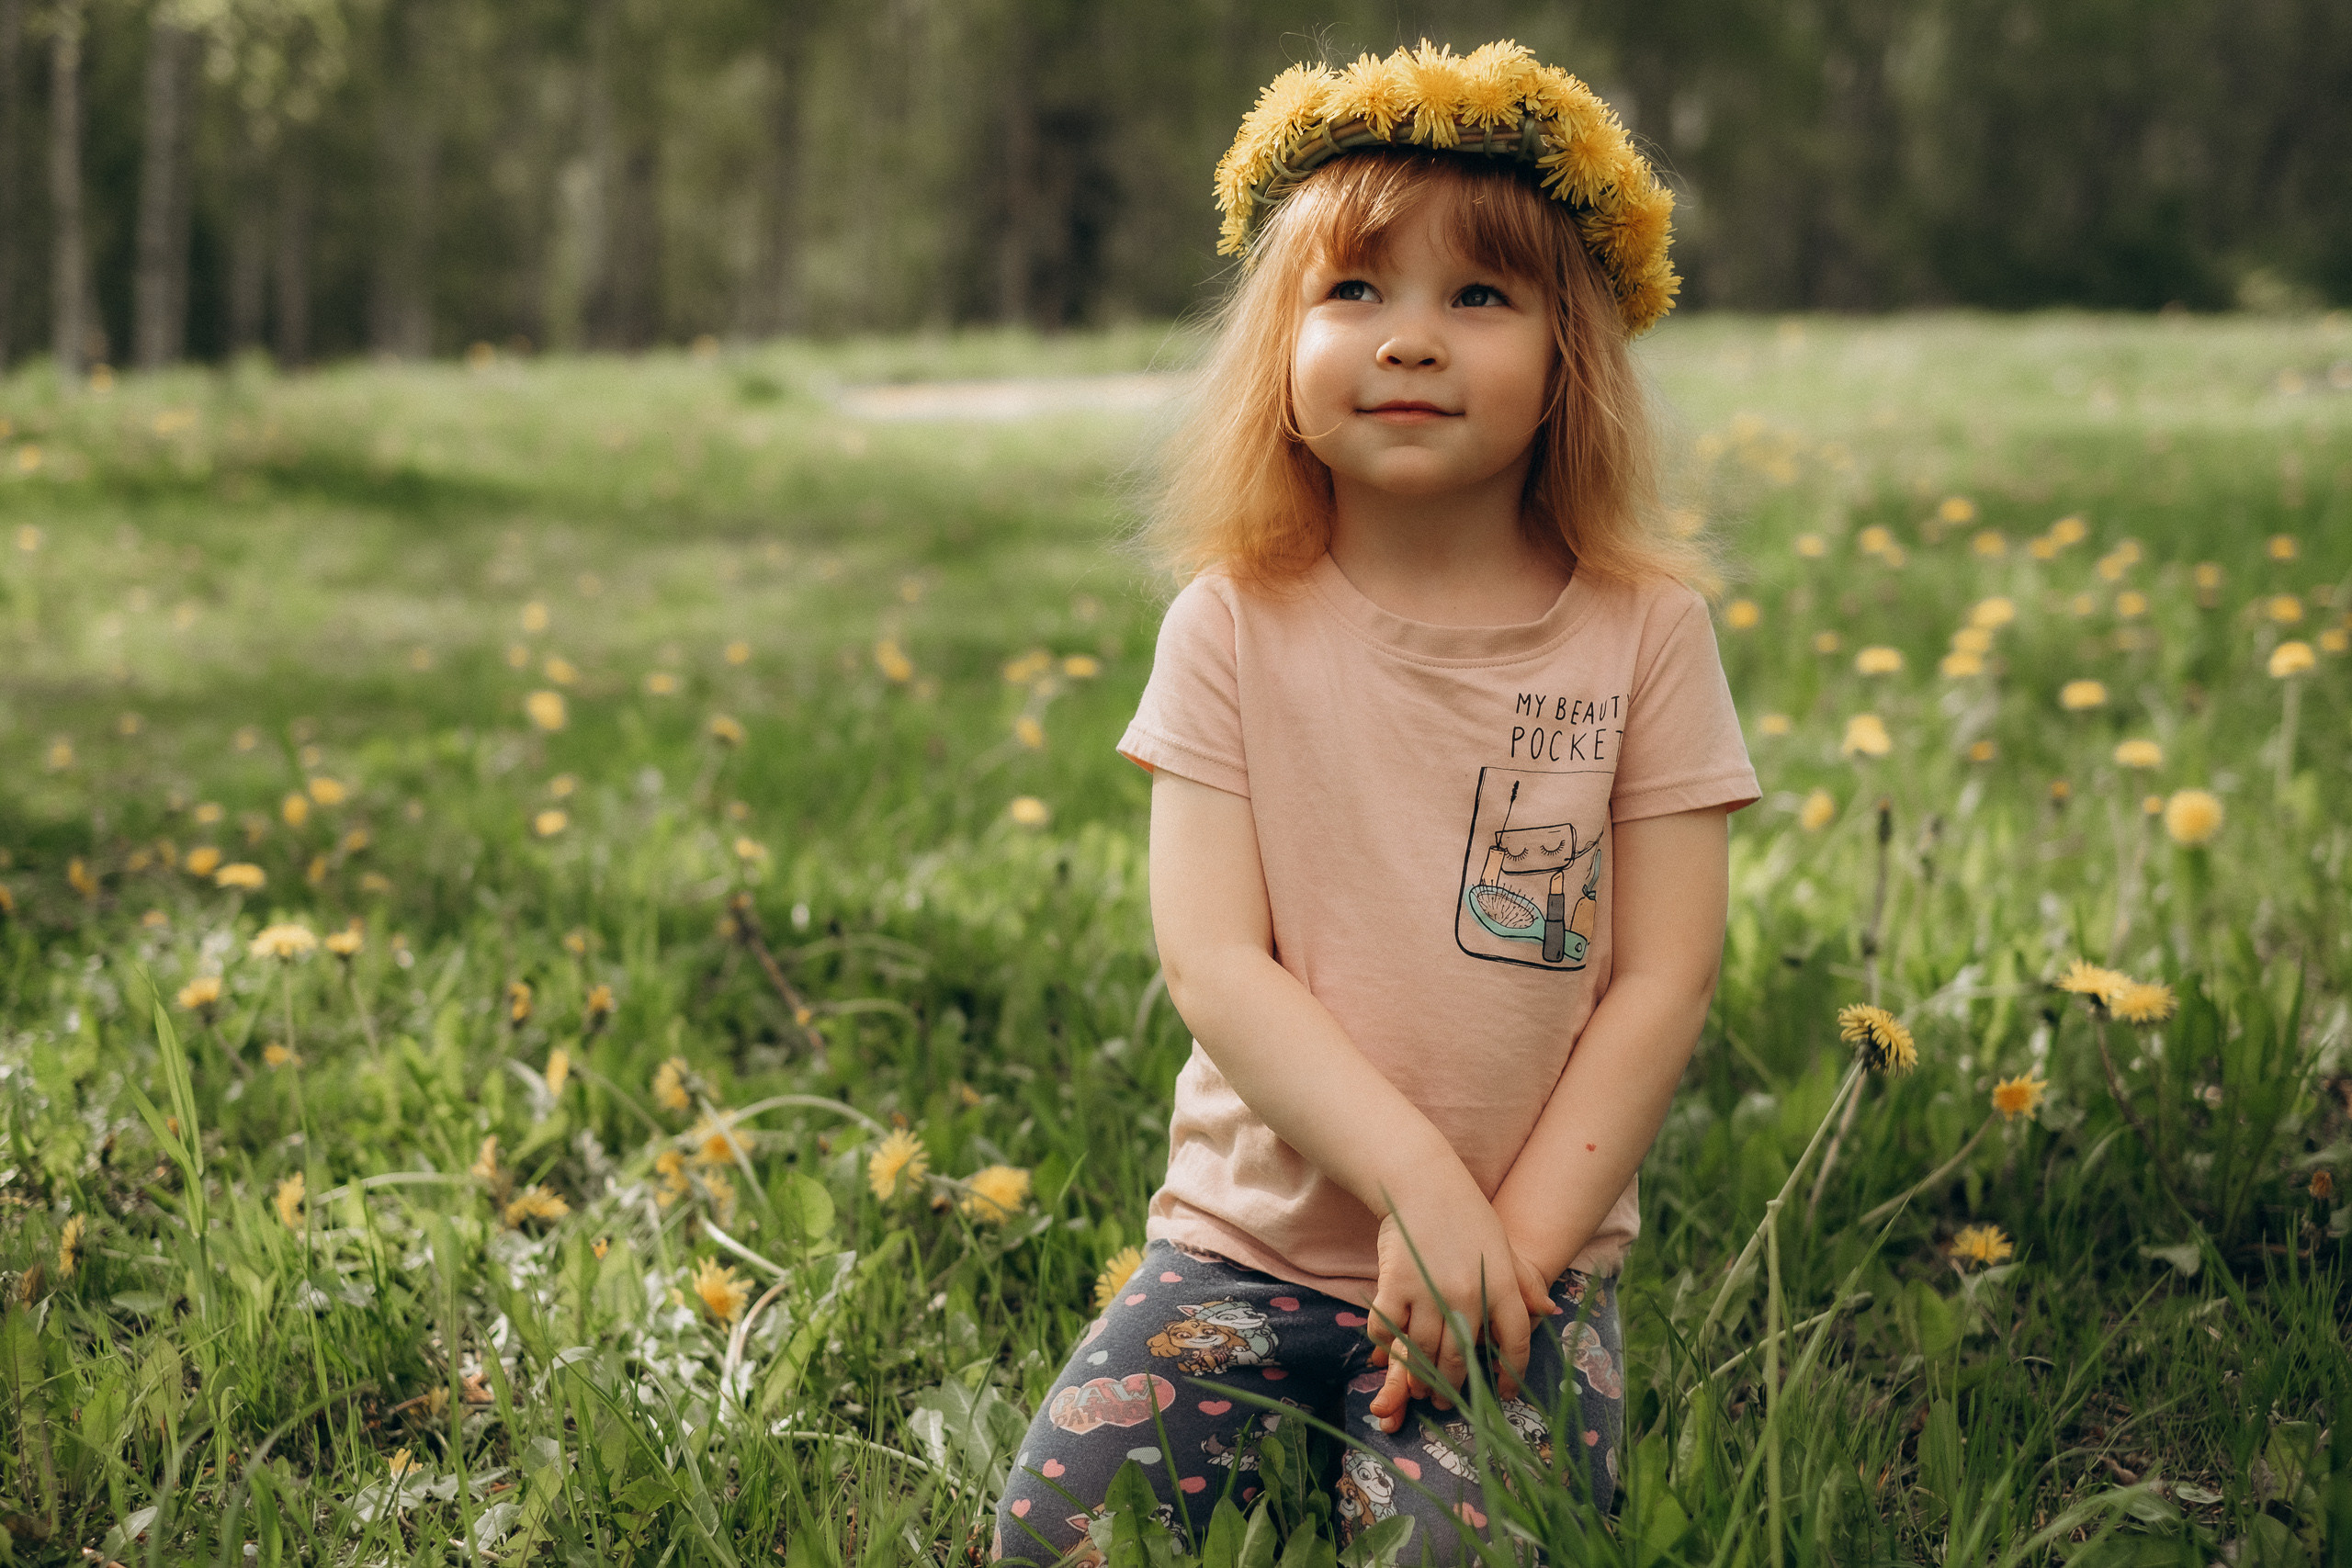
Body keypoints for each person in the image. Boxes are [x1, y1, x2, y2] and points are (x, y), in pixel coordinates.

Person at [993, 40, 1758, 1564]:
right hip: (1244, 1251)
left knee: (1460, 1552)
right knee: (1058, 1541)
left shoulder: (1643, 636)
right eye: (1355, 291)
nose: (1411, 339)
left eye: (1479, 297)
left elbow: (1664, 980)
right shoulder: (1229, 623)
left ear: (1570, 363)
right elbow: (1217, 965)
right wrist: (1416, 1183)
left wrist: (1506, 1250)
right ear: (1279, 344)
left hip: (1523, 1264)